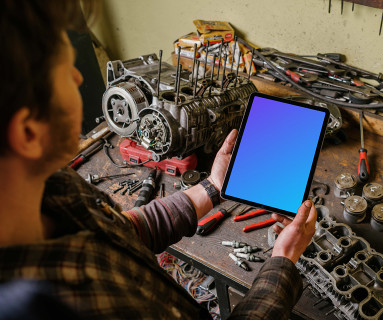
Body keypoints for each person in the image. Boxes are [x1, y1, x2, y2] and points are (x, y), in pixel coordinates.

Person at [0, 1, 317, 319]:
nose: (79, 78)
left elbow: (121, 233)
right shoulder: (58, 306)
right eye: (64, 71)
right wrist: (282, 261)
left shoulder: (54, 189)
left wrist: (211, 187)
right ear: (28, 133)